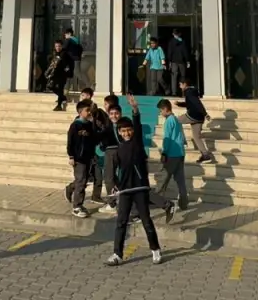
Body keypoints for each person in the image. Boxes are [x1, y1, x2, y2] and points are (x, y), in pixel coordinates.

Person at [106, 95, 164, 267]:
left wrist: (135, 109)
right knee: (121, 222)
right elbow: (115, 171)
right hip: (125, 191)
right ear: (119, 132)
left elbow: (137, 123)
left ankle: (155, 249)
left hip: (140, 188)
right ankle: (117, 254)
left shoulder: (137, 142)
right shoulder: (118, 149)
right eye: (123, 131)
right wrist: (116, 185)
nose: (127, 133)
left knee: (146, 221)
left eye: (129, 130)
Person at [64, 99, 98, 218]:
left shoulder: (89, 125)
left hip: (88, 157)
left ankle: (70, 189)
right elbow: (70, 142)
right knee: (81, 182)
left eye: (90, 110)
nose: (89, 112)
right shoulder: (75, 125)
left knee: (82, 180)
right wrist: (71, 156)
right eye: (87, 110)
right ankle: (77, 206)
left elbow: (93, 140)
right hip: (78, 159)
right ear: (80, 112)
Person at [155, 99, 189, 210]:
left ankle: (156, 200)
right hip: (180, 153)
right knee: (180, 180)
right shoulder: (176, 119)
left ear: (165, 109)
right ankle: (184, 203)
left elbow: (167, 138)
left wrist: (164, 152)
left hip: (172, 154)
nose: (160, 113)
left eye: (161, 111)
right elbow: (182, 135)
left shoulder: (169, 121)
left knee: (163, 178)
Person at [176, 77, 214, 164]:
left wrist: (205, 113)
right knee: (196, 137)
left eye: (180, 84)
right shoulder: (192, 91)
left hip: (193, 115)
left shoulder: (188, 92)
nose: (179, 86)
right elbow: (190, 103)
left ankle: (182, 141)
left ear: (185, 84)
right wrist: (179, 104)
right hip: (199, 117)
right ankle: (205, 155)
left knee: (175, 121)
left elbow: (197, 103)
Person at [45, 40, 71, 111]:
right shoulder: (54, 53)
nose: (58, 48)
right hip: (54, 74)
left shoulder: (64, 54)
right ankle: (63, 97)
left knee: (60, 89)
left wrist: (68, 72)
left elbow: (67, 64)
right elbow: (52, 63)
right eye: (56, 46)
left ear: (62, 46)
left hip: (62, 74)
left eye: (59, 46)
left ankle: (59, 105)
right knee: (50, 86)